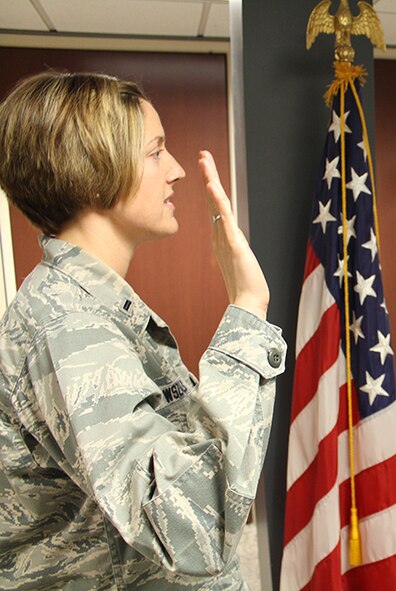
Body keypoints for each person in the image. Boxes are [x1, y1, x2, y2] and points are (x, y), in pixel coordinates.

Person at [0, 71, 286, 589]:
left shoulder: (86, 305)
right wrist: (248, 308)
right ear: (92, 171)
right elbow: (193, 523)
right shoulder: (68, 324)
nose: (176, 171)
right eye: (156, 152)